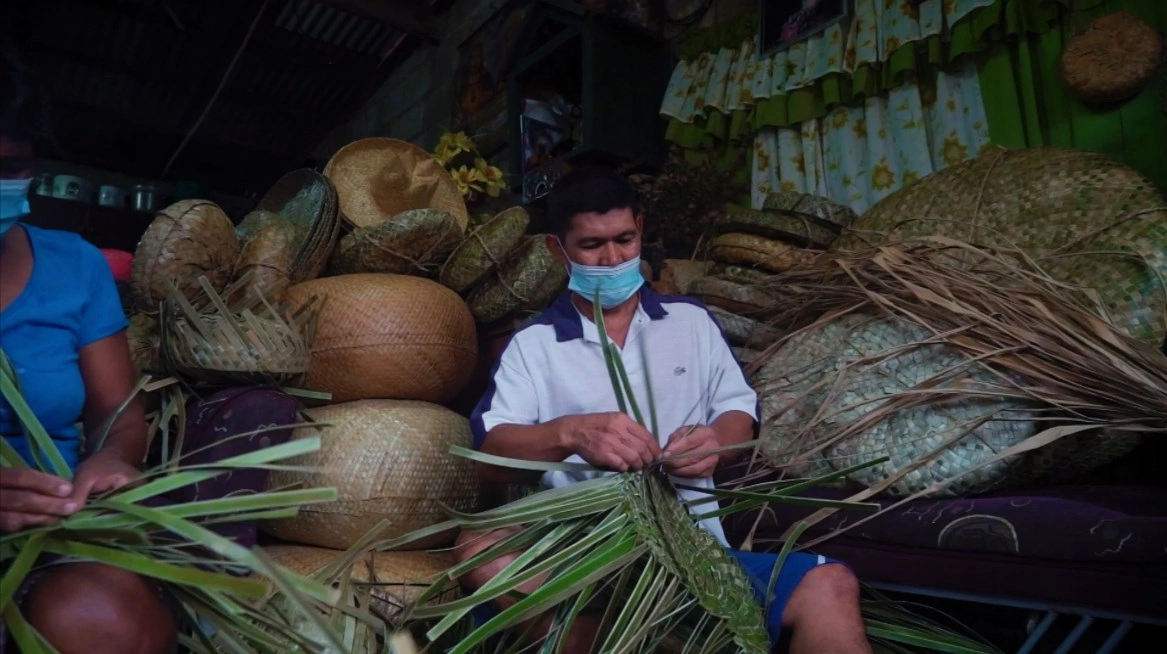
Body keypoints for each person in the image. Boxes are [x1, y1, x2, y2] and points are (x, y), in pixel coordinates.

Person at [458, 167, 873, 653]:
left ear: (641, 229)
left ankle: (654, 637)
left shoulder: (690, 322)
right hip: (580, 552)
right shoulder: (535, 345)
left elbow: (738, 413)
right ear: (558, 250)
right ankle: (604, 640)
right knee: (479, 548)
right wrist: (570, 433)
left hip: (696, 552)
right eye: (592, 245)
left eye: (625, 239)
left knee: (831, 585)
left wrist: (716, 442)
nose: (612, 258)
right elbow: (490, 452)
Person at [0, 38, 178, 654]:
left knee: (102, 618)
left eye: (12, 166)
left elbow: (117, 416)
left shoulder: (75, 268)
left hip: (57, 527)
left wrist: (109, 460)